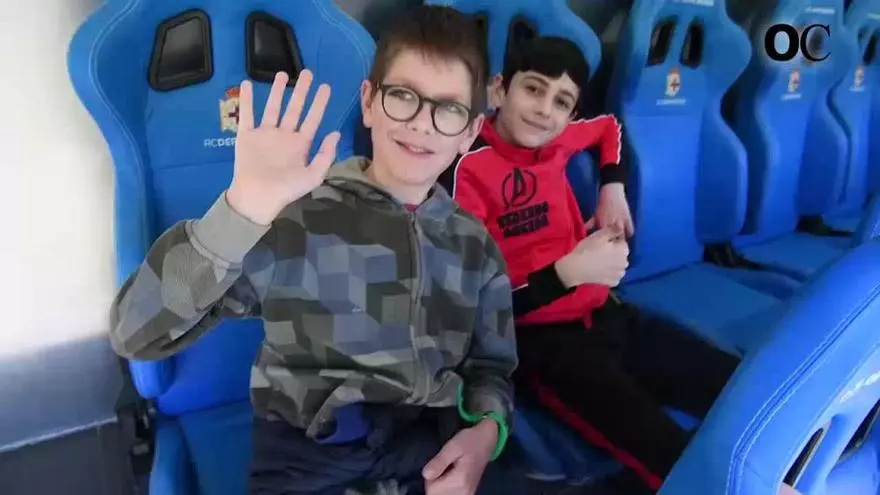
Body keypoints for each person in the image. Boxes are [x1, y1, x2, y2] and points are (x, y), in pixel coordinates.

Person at [109, 6, 517, 495]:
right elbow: (135, 331)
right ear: (368, 103)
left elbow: (492, 369)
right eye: (403, 96)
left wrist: (486, 435)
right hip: (310, 457)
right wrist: (242, 211)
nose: (422, 124)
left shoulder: (475, 248)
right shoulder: (297, 220)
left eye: (448, 109)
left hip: (427, 448)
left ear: (470, 131)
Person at [439, 35, 740, 492]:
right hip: (544, 345)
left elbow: (608, 127)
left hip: (609, 314)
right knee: (665, 450)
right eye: (533, 89)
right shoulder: (467, 169)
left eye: (562, 102)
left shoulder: (558, 140)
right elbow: (482, 312)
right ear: (500, 90)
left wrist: (611, 186)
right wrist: (570, 274)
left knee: (738, 386)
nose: (545, 110)